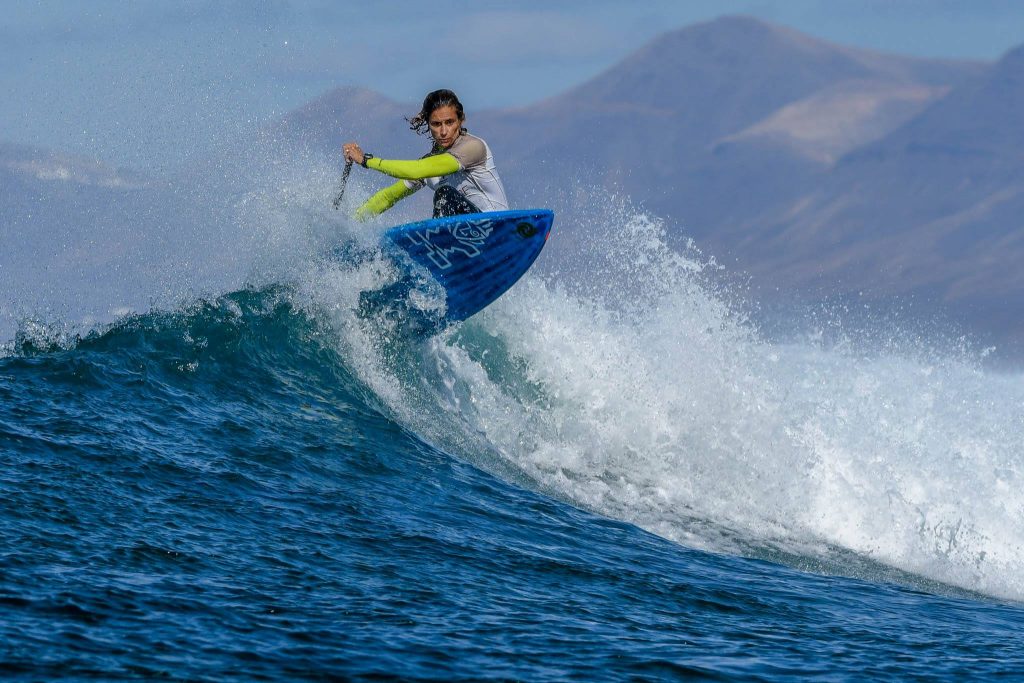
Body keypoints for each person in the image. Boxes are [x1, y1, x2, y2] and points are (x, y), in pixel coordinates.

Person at [342, 89, 509, 221]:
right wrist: (348, 224)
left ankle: (442, 243)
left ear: (461, 120)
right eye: (436, 124)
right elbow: (387, 197)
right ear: (428, 124)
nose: (444, 131)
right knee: (444, 194)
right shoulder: (429, 164)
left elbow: (418, 170)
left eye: (449, 122)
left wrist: (366, 160)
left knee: (445, 194)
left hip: (499, 229)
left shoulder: (473, 148)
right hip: (463, 240)